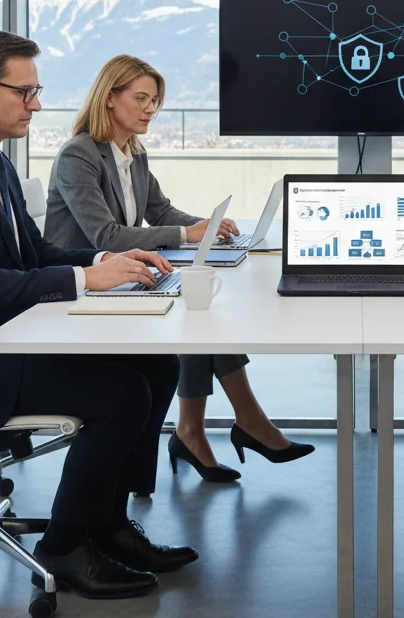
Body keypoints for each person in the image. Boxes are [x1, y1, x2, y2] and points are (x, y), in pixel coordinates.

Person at [0, 28, 198, 600]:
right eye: (24, 92)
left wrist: (105, 260)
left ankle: (108, 526)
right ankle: (65, 545)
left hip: (3, 342)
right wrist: (85, 280)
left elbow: (34, 253)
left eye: (36, 91)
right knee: (121, 393)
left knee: (157, 365)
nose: (36, 104)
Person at [44, 54, 313, 483]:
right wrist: (189, 234)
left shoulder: (133, 152)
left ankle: (198, 431)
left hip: (122, 281)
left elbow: (161, 211)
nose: (150, 109)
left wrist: (205, 227)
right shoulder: (80, 155)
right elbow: (105, 236)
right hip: (82, 291)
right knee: (196, 318)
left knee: (201, 314)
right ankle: (235, 424)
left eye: (155, 101)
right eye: (141, 98)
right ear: (110, 98)